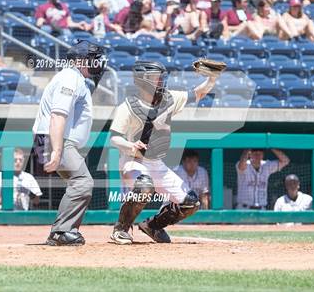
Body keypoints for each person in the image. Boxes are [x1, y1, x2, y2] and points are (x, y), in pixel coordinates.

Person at [109, 60, 219, 245]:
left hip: (156, 163)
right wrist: (130, 146)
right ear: (142, 80)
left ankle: (152, 226)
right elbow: (114, 138)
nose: (160, 82)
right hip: (133, 161)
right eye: (155, 78)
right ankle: (121, 229)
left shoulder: (169, 99)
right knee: (144, 186)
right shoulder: (127, 107)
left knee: (191, 203)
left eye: (161, 78)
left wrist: (212, 79)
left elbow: (198, 93)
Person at [32, 40, 107, 246]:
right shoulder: (69, 78)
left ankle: (63, 231)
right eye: (93, 59)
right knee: (83, 182)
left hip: (56, 140)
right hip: (54, 139)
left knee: (79, 182)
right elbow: (58, 115)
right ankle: (61, 231)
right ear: (80, 60)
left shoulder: (75, 78)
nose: (97, 62)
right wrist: (56, 151)